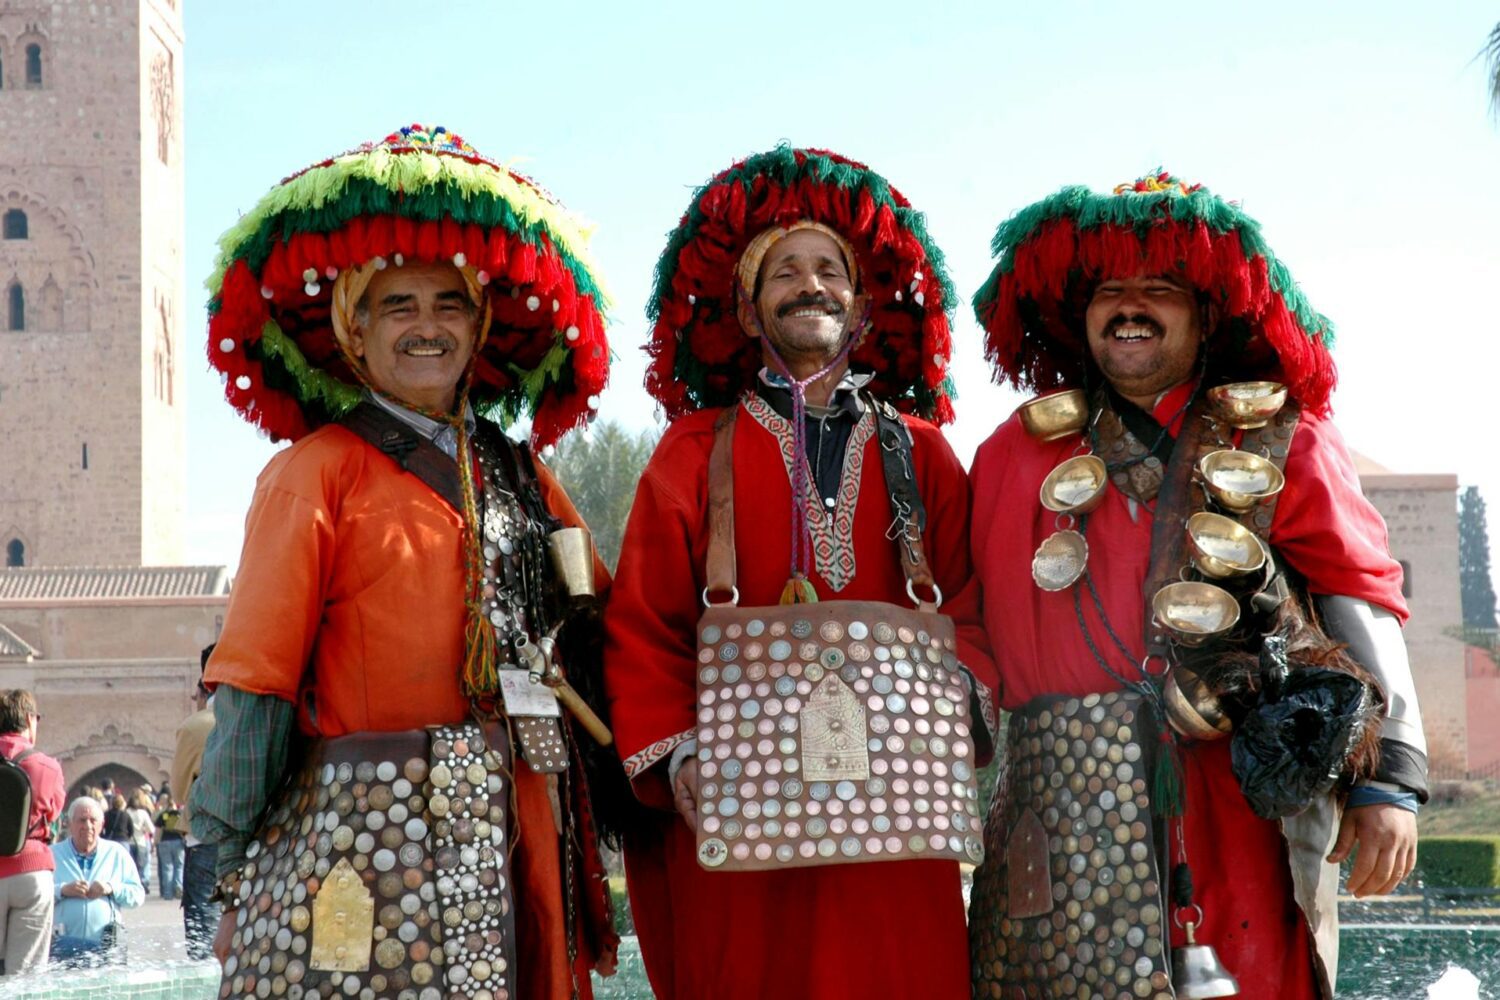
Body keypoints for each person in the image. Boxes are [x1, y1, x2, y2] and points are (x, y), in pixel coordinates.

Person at [960, 172, 1427, 999]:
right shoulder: (1009, 455)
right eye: (1111, 291)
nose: (1132, 307)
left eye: (1161, 290)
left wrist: (1390, 776)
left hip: (1239, 801)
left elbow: (1360, 597)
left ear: (1206, 314)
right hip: (1052, 810)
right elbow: (967, 629)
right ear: (1083, 315)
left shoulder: (1284, 438)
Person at [189, 124, 620, 1000]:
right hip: (374, 835)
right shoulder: (315, 472)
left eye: (448, 304)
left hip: (527, 822)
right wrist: (224, 867)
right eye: (399, 306)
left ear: (480, 323)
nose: (428, 327)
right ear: (355, 329)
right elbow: (258, 684)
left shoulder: (522, 473)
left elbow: (602, 638)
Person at [604, 146, 998, 999]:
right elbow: (642, 627)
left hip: (898, 830)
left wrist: (961, 697)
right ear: (747, 313)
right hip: (740, 824)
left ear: (859, 310)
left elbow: (971, 606)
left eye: (830, 270)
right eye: (784, 272)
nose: (810, 284)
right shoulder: (689, 453)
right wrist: (679, 762)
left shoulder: (922, 454)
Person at [0, 690, 65, 976]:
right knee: (25, 976)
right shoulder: (47, 765)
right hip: (31, 872)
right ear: (28, 718)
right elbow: (54, 814)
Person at [50, 797, 144, 967]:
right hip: (62, 945)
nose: (87, 826)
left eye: (93, 820)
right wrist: (62, 890)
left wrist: (111, 888)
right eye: (81, 820)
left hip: (107, 945)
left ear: (102, 824)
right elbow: (34, 896)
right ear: (69, 824)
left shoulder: (117, 853)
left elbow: (137, 895)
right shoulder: (52, 854)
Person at [171, 648, 216, 958]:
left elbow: (179, 792)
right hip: (258, 841)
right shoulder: (260, 720)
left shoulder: (197, 726)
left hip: (206, 840)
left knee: (203, 939)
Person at [152, 791, 185, 901]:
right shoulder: (179, 814)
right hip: (178, 842)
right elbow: (183, 830)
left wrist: (155, 842)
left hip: (165, 842)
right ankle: (178, 887)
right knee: (179, 867)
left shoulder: (163, 815)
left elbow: (158, 830)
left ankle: (167, 893)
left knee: (167, 868)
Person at [124, 790, 153, 894]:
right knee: (141, 865)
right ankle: (141, 885)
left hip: (129, 842)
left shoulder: (126, 812)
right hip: (140, 841)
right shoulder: (143, 813)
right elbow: (151, 829)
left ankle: (132, 885)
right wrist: (144, 829)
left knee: (131, 865)